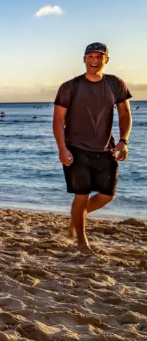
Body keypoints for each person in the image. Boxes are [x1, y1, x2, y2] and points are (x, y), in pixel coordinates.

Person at [53, 42, 132, 253]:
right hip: (76, 147)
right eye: (90, 56)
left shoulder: (116, 84)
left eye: (99, 57)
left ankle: (77, 217)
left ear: (106, 60)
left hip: (105, 148)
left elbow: (125, 114)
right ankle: (81, 241)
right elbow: (58, 119)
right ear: (84, 59)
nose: (94, 61)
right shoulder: (70, 87)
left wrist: (124, 140)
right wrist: (62, 148)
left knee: (107, 195)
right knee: (81, 195)